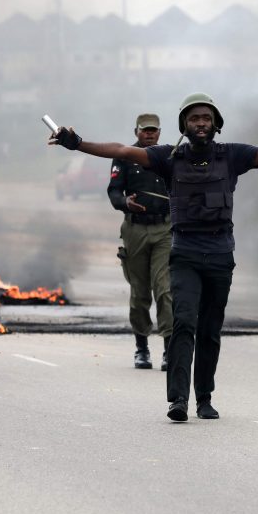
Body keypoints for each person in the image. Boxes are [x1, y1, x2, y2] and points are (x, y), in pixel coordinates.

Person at [50, 92, 258, 421]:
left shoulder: (232, 155)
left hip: (220, 253)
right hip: (185, 253)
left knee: (209, 329)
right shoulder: (167, 158)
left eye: (206, 118)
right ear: (184, 125)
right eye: (194, 119)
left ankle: (204, 397)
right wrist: (76, 143)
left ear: (216, 124)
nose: (201, 123)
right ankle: (178, 400)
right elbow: (121, 151)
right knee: (184, 323)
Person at [107, 113, 173, 371]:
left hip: (165, 229)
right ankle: (142, 348)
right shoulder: (124, 156)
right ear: (136, 132)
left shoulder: (170, 156)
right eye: (145, 130)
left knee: (165, 290)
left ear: (159, 132)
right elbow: (113, 191)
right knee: (140, 292)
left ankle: (169, 349)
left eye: (153, 130)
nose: (149, 134)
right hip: (135, 229)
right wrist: (125, 203)